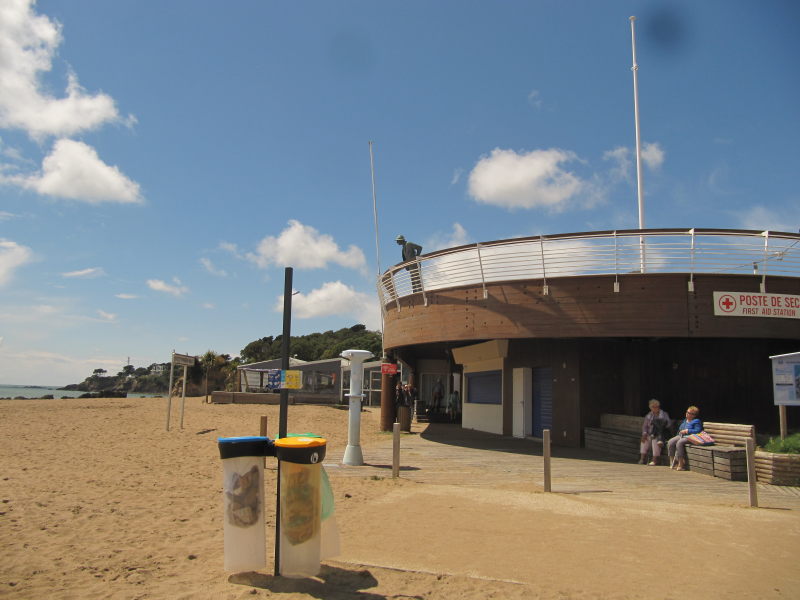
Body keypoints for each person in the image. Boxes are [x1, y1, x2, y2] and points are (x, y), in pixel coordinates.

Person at [667, 406, 703, 471]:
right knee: (671, 442)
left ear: (694, 415)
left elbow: (698, 430)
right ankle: (673, 462)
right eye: (687, 412)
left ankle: (681, 464)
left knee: (679, 442)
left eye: (689, 413)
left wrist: (687, 431)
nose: (687, 414)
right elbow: (680, 429)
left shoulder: (696, 421)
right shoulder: (685, 421)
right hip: (681, 435)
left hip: (691, 437)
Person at [639, 399, 670, 466]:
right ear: (651, 408)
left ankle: (655, 460)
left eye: (657, 406)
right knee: (644, 439)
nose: (656, 408)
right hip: (650, 434)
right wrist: (644, 434)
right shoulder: (649, 415)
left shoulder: (664, 414)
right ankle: (642, 459)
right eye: (654, 407)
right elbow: (645, 427)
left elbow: (669, 425)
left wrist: (661, 423)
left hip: (662, 434)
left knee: (654, 439)